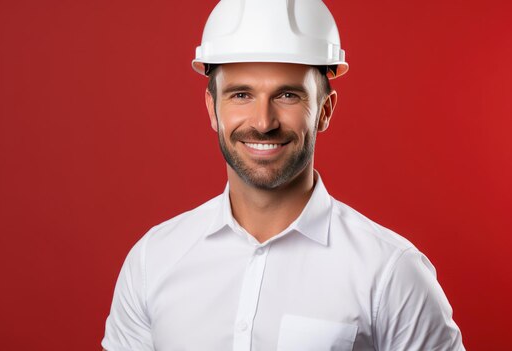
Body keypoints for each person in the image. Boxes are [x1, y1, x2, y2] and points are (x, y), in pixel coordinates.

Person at [102, 0, 464, 350]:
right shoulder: (153, 260)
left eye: (288, 95)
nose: (263, 122)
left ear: (324, 110)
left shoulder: (391, 272)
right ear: (212, 108)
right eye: (241, 94)